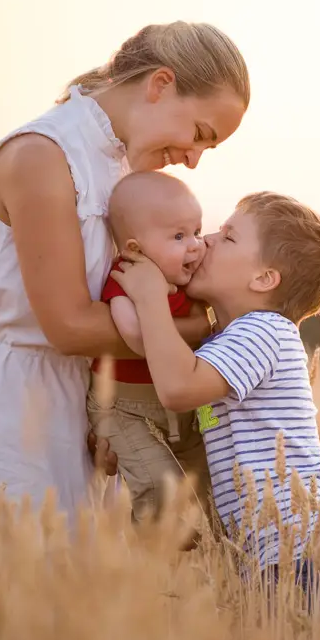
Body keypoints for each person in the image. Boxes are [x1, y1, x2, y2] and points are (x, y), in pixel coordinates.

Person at [0, 22, 250, 522]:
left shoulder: (122, 169)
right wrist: (207, 329)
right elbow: (70, 326)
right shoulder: (42, 155)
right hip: (8, 415)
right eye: (199, 134)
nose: (193, 159)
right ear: (161, 84)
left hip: (79, 413)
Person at [110, 191, 320, 596]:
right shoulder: (225, 343)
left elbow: (177, 388)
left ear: (263, 279)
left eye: (228, 237)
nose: (205, 240)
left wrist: (150, 295)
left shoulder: (264, 331)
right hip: (273, 553)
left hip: (302, 550)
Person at [85, 171, 214, 530]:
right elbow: (136, 338)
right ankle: (155, 544)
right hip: (123, 408)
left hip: (179, 406)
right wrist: (159, 303)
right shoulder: (126, 280)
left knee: (214, 482)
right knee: (158, 485)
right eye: (178, 236)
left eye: (197, 232)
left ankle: (228, 551)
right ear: (135, 250)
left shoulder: (188, 283)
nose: (195, 245)